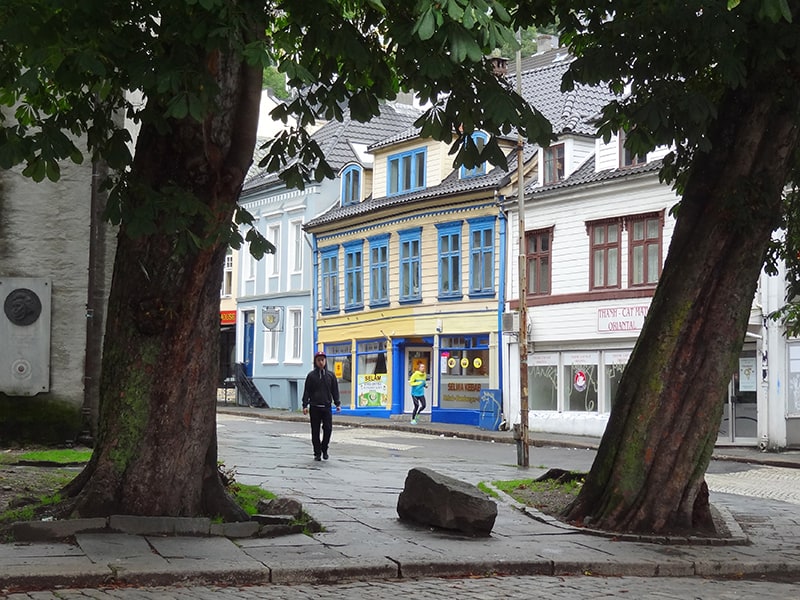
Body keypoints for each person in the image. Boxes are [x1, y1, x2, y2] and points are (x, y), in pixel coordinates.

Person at [302, 350, 341, 460]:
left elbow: (335, 390)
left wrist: (337, 403)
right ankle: (317, 452)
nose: (321, 362)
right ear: (315, 361)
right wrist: (305, 405)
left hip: (327, 407)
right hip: (314, 407)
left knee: (328, 429)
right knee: (315, 431)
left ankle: (324, 448)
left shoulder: (330, 376)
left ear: (325, 361)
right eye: (319, 360)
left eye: (322, 360)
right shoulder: (311, 376)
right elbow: (307, 391)